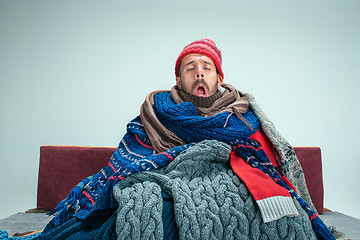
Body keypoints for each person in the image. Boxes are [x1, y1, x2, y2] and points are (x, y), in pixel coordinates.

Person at [14, 39, 335, 240]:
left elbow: (267, 167)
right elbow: (127, 165)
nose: (198, 72)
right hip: (164, 184)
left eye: (206, 67)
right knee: (140, 207)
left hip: (236, 187)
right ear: (178, 79)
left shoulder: (244, 117)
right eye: (189, 67)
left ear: (219, 77)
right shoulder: (154, 114)